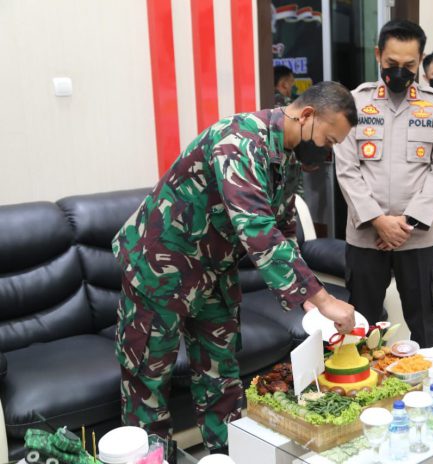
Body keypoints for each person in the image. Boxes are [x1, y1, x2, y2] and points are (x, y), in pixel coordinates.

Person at [112, 82, 357, 455]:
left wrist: (307, 299)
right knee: (148, 382)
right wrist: (325, 300)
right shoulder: (238, 141)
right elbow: (255, 227)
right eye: (329, 140)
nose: (327, 151)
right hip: (161, 269)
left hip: (213, 271)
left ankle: (227, 457)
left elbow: (283, 230)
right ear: (307, 115)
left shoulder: (287, 158)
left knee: (221, 377)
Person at [334, 20, 433, 348]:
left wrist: (405, 223)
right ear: (378, 55)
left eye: (409, 66)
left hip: (417, 238)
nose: (399, 72)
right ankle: (364, 392)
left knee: (425, 323)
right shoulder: (354, 104)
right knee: (362, 324)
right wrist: (378, 221)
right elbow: (347, 170)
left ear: (419, 62)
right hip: (365, 236)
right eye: (391, 65)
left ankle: (430, 392)